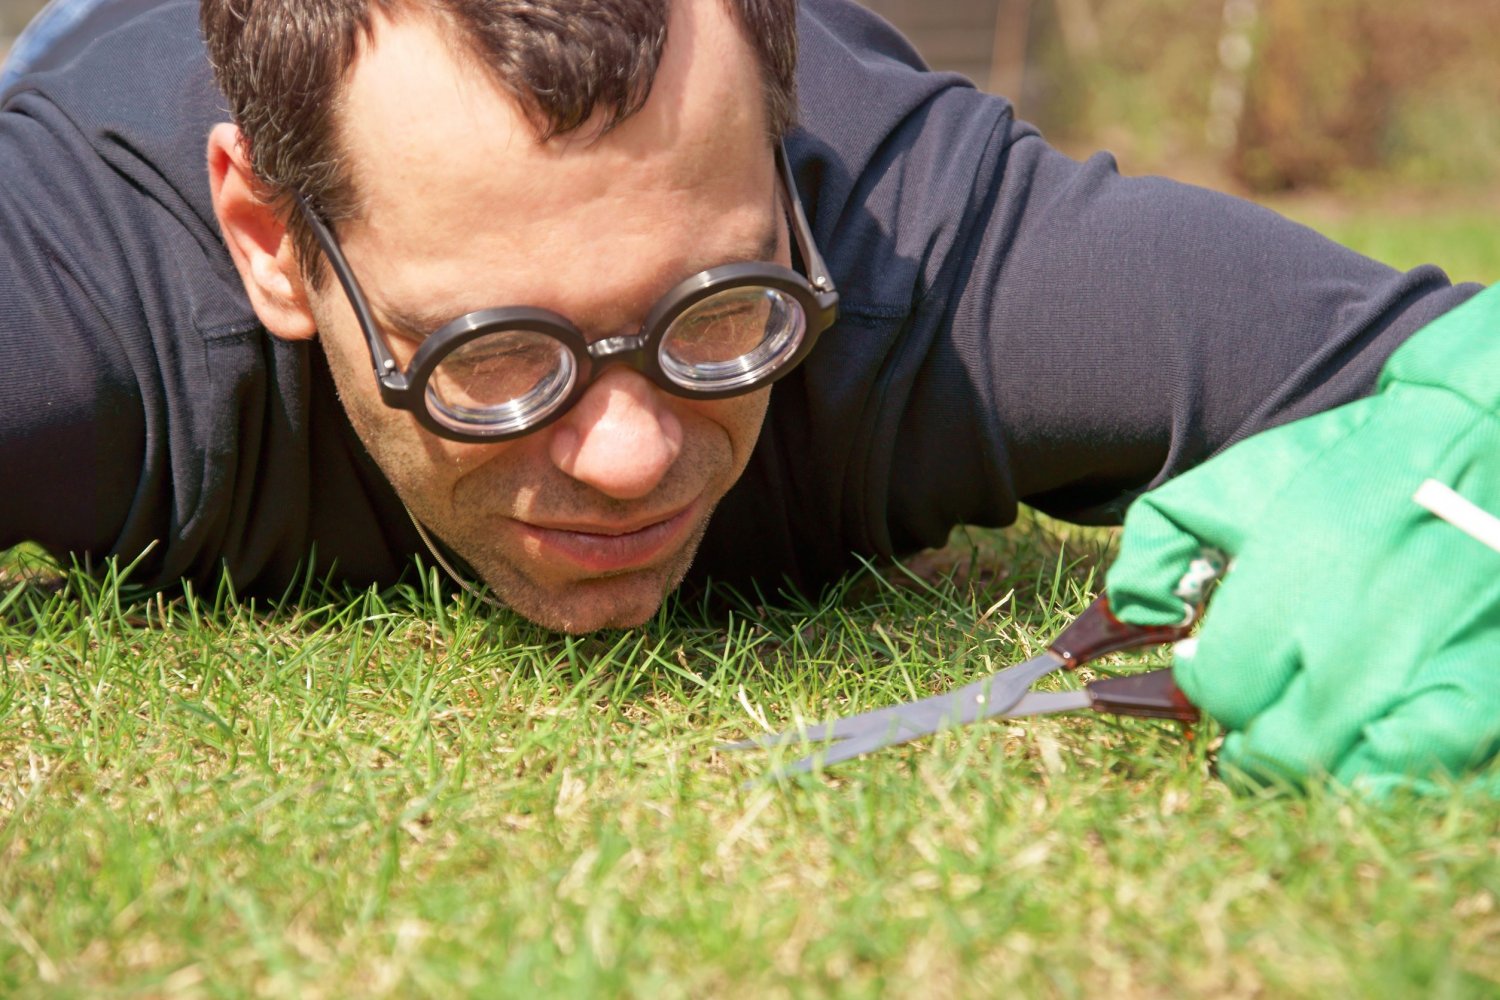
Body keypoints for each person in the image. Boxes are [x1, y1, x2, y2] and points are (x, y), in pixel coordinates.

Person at [0, 0, 1489, 788]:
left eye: (718, 312)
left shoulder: (936, 257)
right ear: (271, 244)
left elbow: (1452, 365)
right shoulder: (78, 302)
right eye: (493, 357)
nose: (638, 455)